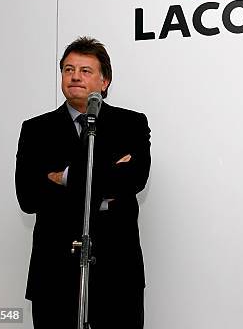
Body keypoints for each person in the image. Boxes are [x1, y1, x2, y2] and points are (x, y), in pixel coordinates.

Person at [15, 37, 151, 329]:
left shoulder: (132, 124)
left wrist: (62, 177)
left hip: (117, 271)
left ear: (105, 81)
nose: (75, 76)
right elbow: (28, 196)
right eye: (68, 69)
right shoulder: (36, 129)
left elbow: (135, 180)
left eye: (85, 70)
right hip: (53, 273)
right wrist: (104, 188)